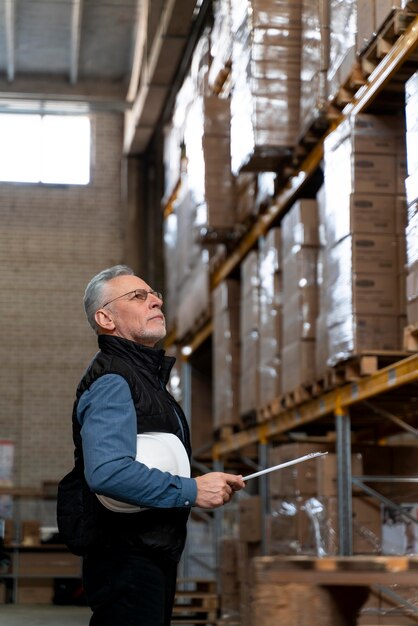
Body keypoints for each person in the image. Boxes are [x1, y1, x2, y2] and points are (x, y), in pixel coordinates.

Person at [57, 265, 245, 626]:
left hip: (149, 552)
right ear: (105, 318)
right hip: (126, 557)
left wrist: (206, 483)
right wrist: (191, 489)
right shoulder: (114, 379)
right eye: (138, 296)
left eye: (155, 294)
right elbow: (109, 472)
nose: (156, 301)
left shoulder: (145, 379)